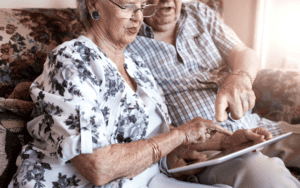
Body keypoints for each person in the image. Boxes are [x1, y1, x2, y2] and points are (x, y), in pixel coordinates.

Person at [7, 0, 274, 187]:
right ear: (94, 5)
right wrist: (179, 134)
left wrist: (225, 143)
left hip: (145, 179)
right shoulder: (71, 60)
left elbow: (160, 136)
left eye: (141, 6)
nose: (137, 16)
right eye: (127, 5)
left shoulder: (138, 67)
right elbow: (98, 167)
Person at [125, 0, 300, 187]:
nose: (167, 1)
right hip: (209, 149)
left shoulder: (198, 12)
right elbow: (142, 118)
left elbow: (243, 52)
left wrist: (241, 77)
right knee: (263, 175)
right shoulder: (128, 36)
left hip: (255, 126)